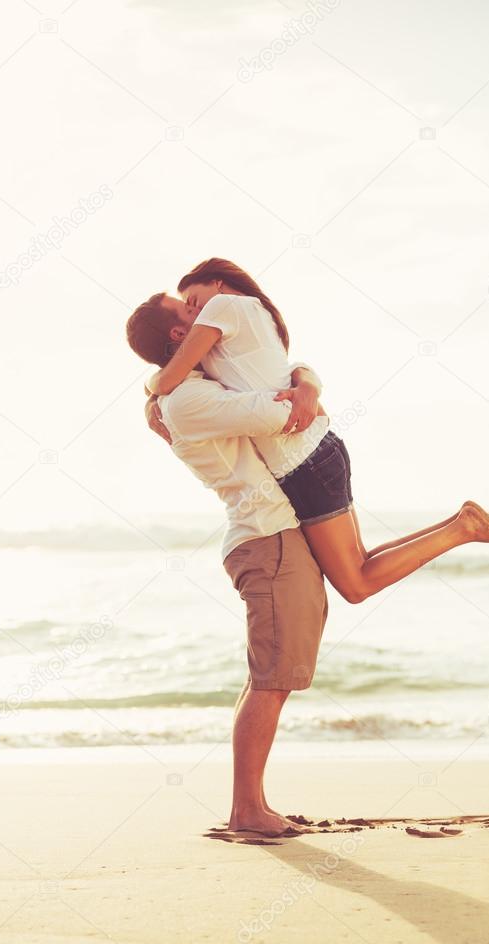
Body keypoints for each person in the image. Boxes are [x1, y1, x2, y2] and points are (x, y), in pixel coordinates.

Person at [144, 258, 489, 604]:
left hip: (304, 462)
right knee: (358, 563)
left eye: (194, 300)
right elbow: (279, 369)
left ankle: (462, 529)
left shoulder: (226, 307)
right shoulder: (236, 324)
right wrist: (307, 380)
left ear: (220, 285)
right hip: (312, 455)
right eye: (187, 308)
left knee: (355, 586)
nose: (194, 312)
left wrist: (152, 393)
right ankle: (460, 523)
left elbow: (167, 380)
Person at [127, 297, 327, 836]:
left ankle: (252, 803)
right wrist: (305, 391)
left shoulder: (184, 390)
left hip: (267, 534)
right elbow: (282, 414)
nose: (206, 317)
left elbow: (286, 390)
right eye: (189, 312)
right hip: (268, 536)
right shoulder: (188, 397)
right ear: (177, 333)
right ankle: (247, 810)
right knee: (271, 680)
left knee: (268, 677)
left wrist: (304, 377)